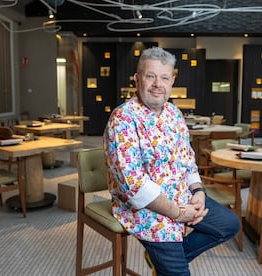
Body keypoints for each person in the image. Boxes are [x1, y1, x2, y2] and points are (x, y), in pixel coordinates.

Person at [103, 46, 240, 275]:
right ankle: (168, 263)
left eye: (164, 77)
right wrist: (177, 213)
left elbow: (187, 158)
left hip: (182, 196)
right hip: (147, 210)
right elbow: (136, 187)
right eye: (150, 76)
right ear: (137, 79)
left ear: (172, 81)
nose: (158, 84)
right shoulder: (122, 119)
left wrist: (198, 192)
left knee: (229, 224)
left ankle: (161, 260)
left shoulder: (174, 114)